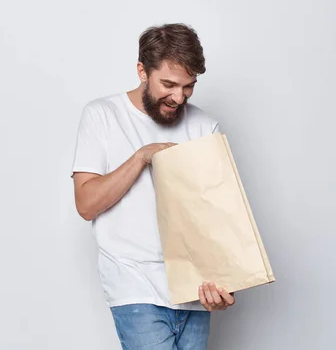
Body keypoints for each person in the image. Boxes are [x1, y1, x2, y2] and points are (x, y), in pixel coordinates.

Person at [71, 23, 235, 349]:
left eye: (189, 87)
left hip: (195, 289)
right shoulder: (102, 115)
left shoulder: (205, 126)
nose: (178, 97)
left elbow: (220, 219)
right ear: (142, 71)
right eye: (169, 84)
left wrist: (228, 284)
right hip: (135, 285)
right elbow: (86, 204)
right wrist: (142, 157)